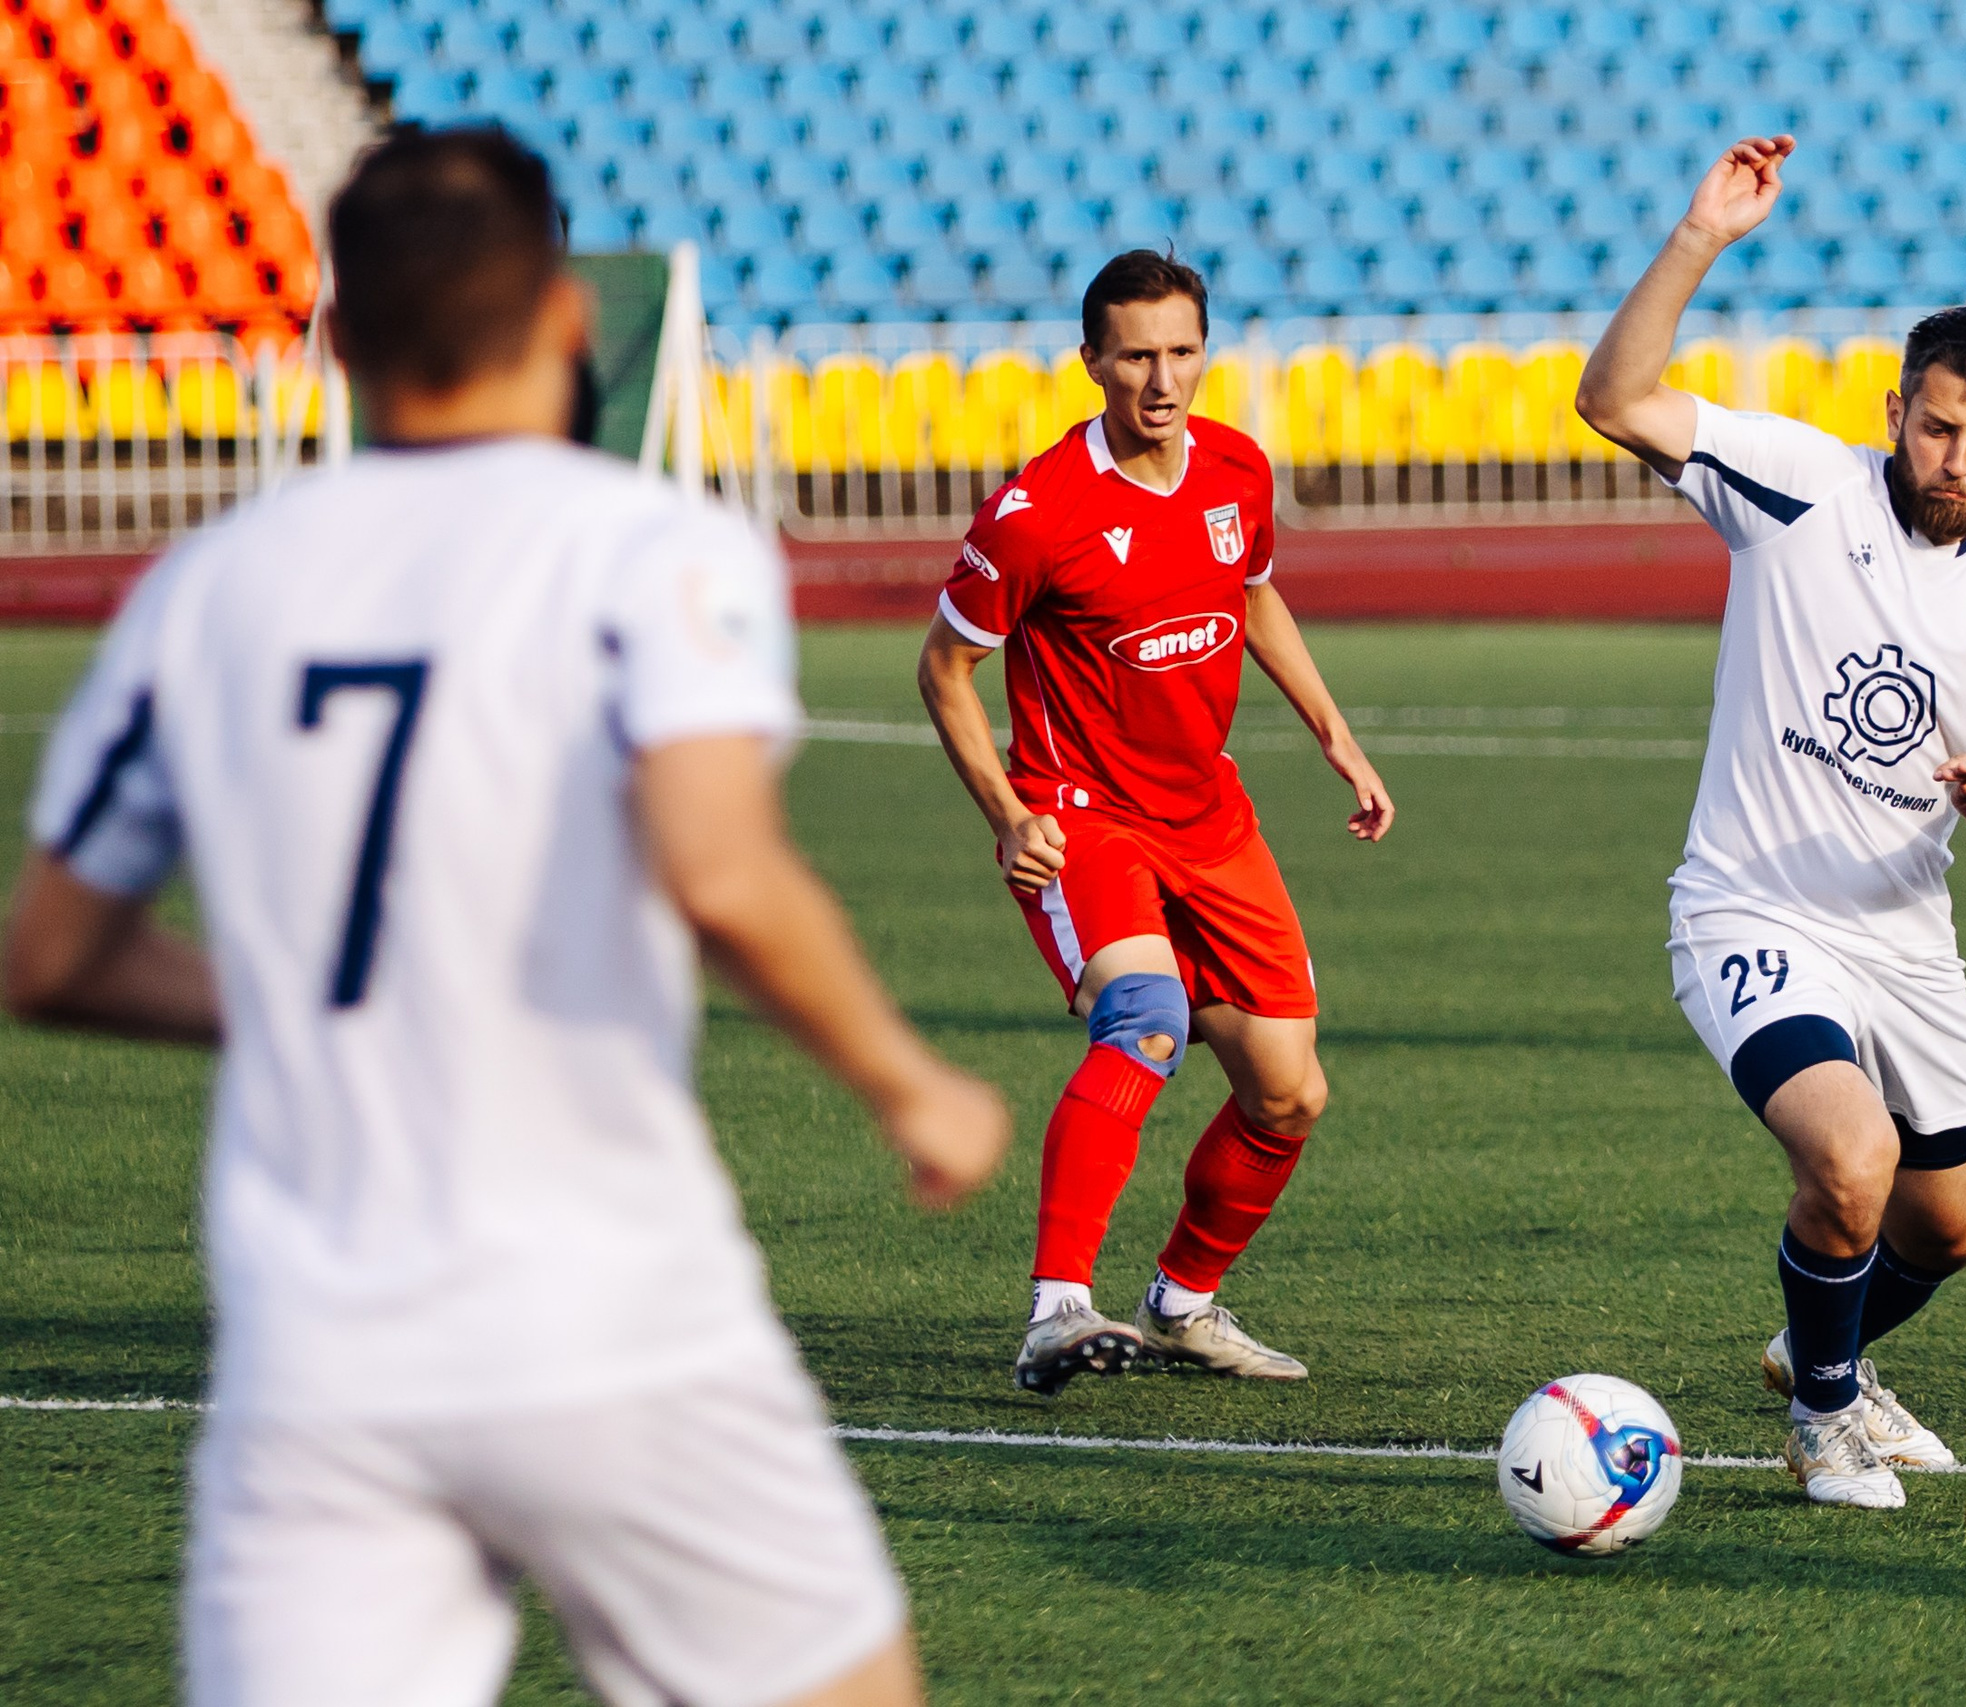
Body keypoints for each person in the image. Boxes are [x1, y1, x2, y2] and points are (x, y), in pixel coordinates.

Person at [1, 127, 1010, 1707]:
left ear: (336, 340)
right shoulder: (653, 548)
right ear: (565, 319)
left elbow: (50, 954)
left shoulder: (209, 586)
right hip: (616, 1314)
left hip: (319, 1361)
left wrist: (307, 989)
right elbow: (721, 868)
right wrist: (910, 1080)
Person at [1576, 137, 1966, 1509]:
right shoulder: (1799, 482)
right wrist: (1699, 238)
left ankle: (1813, 1354)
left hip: (1904, 930)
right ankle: (1828, 1416)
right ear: (1896, 406)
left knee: (1946, 1224)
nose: (1953, 457)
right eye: (1934, 425)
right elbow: (1614, 397)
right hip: (1749, 904)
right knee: (1850, 1158)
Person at [916, 249, 1393, 1397]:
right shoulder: (1036, 513)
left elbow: (1253, 589)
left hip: (1209, 814)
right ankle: (1056, 1310)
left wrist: (1332, 730)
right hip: (1086, 818)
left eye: (1180, 351)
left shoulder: (1236, 469)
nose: (1161, 378)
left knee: (1289, 1094)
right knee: (1145, 1016)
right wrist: (1007, 811)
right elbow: (944, 669)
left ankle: (1181, 1304)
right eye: (1135, 355)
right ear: (1092, 362)